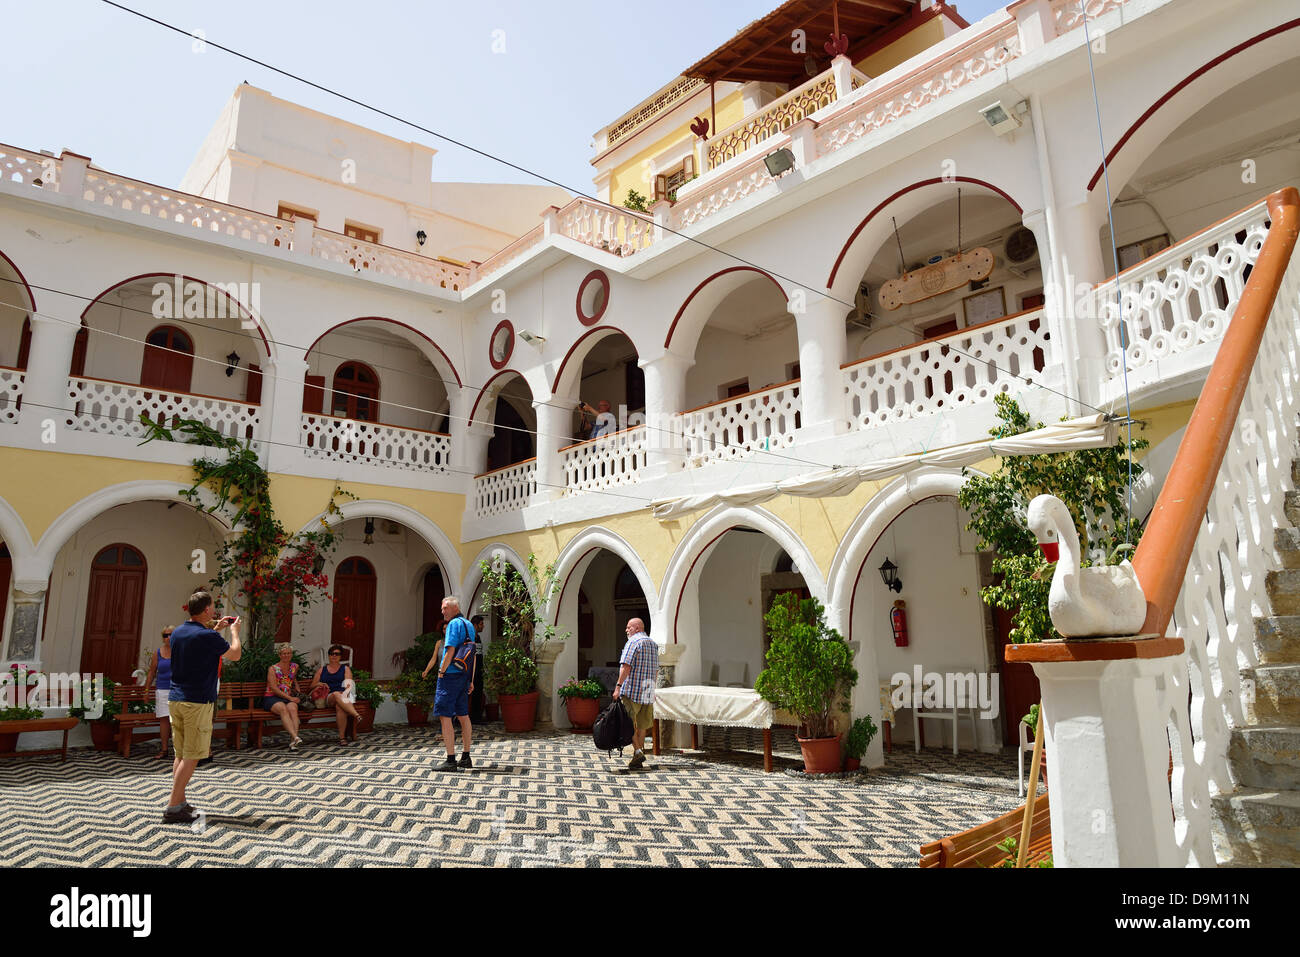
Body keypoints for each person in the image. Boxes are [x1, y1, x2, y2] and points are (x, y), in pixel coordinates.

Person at [164, 590, 241, 824]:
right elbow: (235, 654)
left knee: (181, 753)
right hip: (197, 702)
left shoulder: (178, 632)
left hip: (176, 699)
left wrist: (216, 628)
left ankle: (180, 802)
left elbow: (198, 641)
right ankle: (173, 807)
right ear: (206, 609)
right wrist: (234, 632)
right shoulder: (207, 637)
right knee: (194, 755)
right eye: (212, 607)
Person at [423, 596, 474, 771]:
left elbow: (450, 649)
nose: (442, 611)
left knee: (445, 715)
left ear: (454, 608)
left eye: (445, 608)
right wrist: (471, 679)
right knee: (463, 715)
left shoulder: (453, 624)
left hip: (450, 676)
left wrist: (441, 671)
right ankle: (466, 757)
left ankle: (450, 760)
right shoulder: (469, 625)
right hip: (464, 676)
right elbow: (472, 654)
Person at [613, 618, 658, 770]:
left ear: (637, 628)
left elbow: (626, 666)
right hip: (647, 689)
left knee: (628, 722)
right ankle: (638, 754)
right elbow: (656, 670)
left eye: (628, 627)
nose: (626, 630)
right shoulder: (653, 644)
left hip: (632, 690)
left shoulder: (633, 642)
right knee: (642, 724)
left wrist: (618, 686)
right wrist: (653, 688)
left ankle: (638, 751)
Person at [311, 646, 360, 745]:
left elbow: (348, 685)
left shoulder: (345, 669)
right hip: (327, 697)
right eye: (332, 654)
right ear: (328, 656)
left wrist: (345, 694)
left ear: (340, 656)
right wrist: (319, 684)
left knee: (340, 707)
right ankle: (356, 714)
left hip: (342, 698)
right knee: (336, 694)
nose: (334, 656)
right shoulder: (322, 670)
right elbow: (311, 685)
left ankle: (342, 738)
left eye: (337, 654)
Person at [263, 643, 303, 751]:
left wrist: (297, 690)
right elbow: (274, 688)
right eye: (284, 654)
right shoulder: (273, 669)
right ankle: (295, 737)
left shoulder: (295, 666)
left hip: (288, 696)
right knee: (283, 709)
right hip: (272, 697)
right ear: (280, 655)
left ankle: (293, 742)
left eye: (288, 653)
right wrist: (290, 698)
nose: (286, 655)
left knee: (293, 709)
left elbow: (292, 679)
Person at [143, 626, 174, 760]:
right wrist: (147, 690)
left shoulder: (181, 651)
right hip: (162, 689)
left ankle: (180, 750)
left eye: (171, 635)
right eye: (165, 635)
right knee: (164, 719)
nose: (168, 638)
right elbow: (151, 672)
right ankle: (164, 749)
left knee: (178, 720)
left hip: (177, 689)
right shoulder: (158, 652)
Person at [468, 614, 486, 723]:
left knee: (478, 693)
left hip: (479, 671)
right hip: (471, 671)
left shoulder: (478, 637)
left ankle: (476, 717)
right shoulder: (469, 637)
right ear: (475, 625)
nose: (483, 626)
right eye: (481, 624)